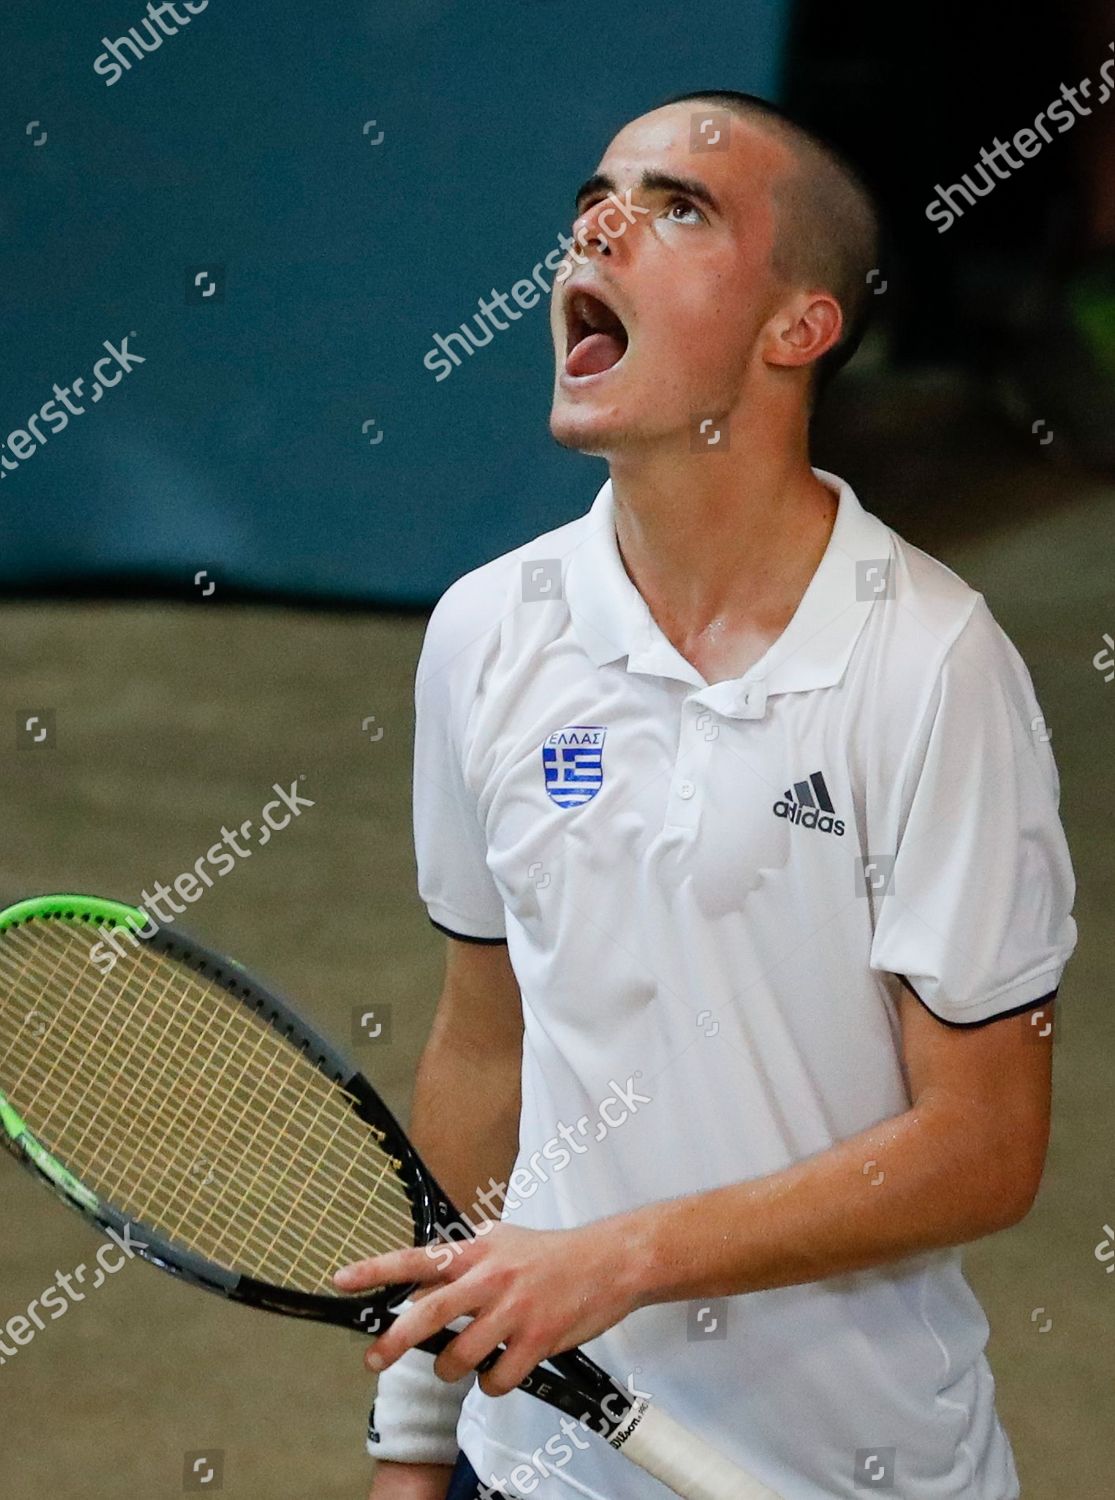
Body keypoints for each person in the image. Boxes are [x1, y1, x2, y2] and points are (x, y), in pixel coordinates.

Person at [335, 91, 1078, 1500]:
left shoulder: (929, 663)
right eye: (596, 199)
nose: (602, 223)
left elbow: (982, 1150)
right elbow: (483, 1047)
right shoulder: (488, 631)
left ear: (799, 328)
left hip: (854, 1469)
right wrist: (419, 1443)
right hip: (537, 1468)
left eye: (682, 207)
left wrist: (622, 1258)